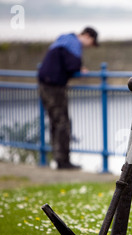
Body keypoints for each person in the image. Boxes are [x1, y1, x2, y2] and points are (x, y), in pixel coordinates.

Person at [38, 27, 98, 169]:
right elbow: (73, 65)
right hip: (54, 86)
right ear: (87, 36)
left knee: (55, 121)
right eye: (92, 43)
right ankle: (63, 161)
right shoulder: (74, 44)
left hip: (44, 83)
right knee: (63, 123)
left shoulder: (64, 39)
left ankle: (57, 158)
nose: (89, 47)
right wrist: (80, 69)